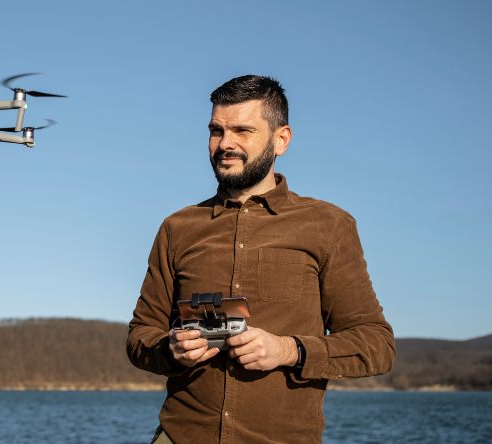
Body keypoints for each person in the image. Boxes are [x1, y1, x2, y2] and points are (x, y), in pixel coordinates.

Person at [126, 75, 395, 444]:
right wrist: (170, 349)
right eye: (216, 130)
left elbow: (376, 346)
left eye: (242, 130)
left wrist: (289, 350)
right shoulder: (177, 228)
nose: (225, 144)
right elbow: (140, 336)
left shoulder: (329, 225)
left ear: (281, 139)